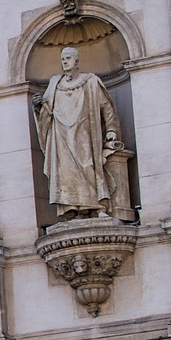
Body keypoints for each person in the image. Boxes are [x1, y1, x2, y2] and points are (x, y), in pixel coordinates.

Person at [34, 47, 122, 217]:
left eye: (68, 58)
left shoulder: (91, 81)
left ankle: (95, 205)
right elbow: (46, 110)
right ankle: (71, 208)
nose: (64, 61)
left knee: (88, 166)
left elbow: (106, 107)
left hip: (85, 132)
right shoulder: (55, 83)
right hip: (60, 135)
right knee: (64, 172)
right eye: (62, 59)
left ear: (76, 60)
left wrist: (111, 129)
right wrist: (38, 105)